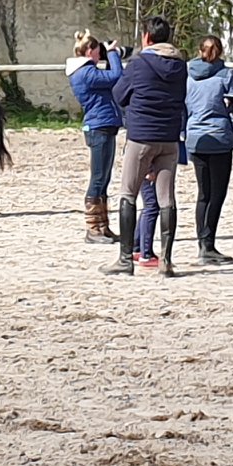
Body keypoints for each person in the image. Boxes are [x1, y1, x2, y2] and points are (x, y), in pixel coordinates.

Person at [104, 15, 186, 277]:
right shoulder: (180, 65)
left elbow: (119, 94)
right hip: (169, 138)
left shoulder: (140, 63)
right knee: (166, 199)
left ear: (147, 37)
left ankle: (126, 259)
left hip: (141, 135)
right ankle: (166, 261)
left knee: (128, 193)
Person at [184, 35, 233, 264]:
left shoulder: (187, 75)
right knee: (217, 193)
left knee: (203, 193)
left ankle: (202, 243)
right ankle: (208, 243)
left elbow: (183, 105)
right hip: (219, 138)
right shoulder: (225, 75)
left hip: (196, 136)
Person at [66, 31, 124, 243]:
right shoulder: (85, 73)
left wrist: (109, 56)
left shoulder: (88, 71)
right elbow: (116, 77)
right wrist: (114, 54)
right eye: (99, 52)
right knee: (98, 178)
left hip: (104, 125)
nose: (101, 55)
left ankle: (103, 226)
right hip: (98, 126)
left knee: (105, 177)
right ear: (90, 51)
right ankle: (92, 229)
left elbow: (110, 81)